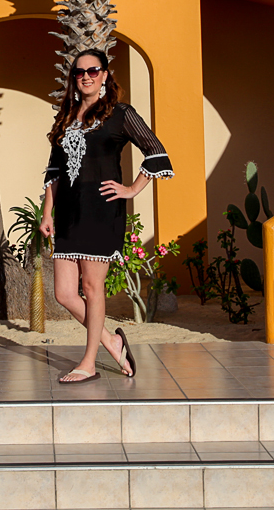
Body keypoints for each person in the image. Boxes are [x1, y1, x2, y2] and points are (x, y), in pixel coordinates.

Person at [39, 48, 175, 383]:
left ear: (105, 75)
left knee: (91, 285)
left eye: (93, 70)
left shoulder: (120, 114)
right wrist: (47, 212)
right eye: (79, 72)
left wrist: (131, 189)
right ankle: (112, 342)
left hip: (102, 209)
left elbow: (157, 152)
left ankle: (88, 362)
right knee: (64, 294)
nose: (85, 76)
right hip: (69, 212)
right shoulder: (67, 117)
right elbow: (55, 170)